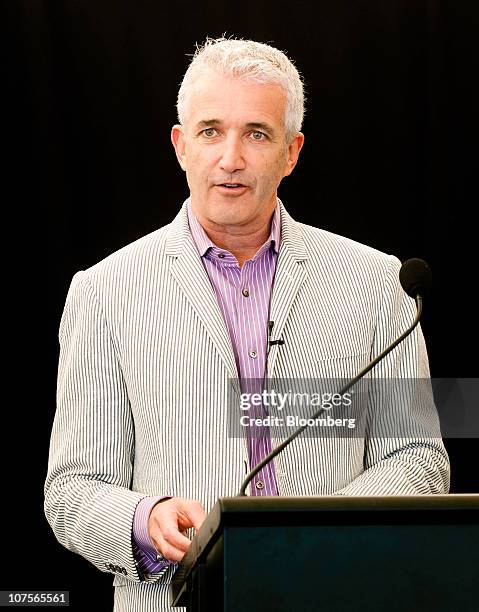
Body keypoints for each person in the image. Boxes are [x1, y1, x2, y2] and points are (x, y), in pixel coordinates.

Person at [44, 37, 450, 611]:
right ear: (181, 147)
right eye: (210, 131)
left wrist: (319, 534)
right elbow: (68, 490)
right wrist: (143, 518)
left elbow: (419, 460)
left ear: (292, 152)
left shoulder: (377, 283)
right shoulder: (103, 293)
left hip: (336, 594)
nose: (230, 157)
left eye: (256, 134)